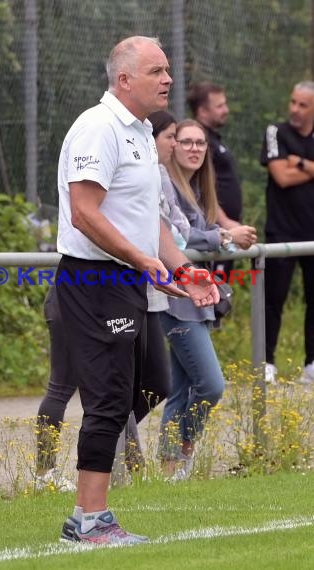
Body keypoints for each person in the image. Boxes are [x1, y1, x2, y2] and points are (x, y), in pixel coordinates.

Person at [53, 36, 219, 545]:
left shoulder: (144, 132)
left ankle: (86, 505)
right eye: (156, 71)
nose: (168, 79)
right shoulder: (97, 128)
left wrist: (181, 267)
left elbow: (151, 222)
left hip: (128, 277)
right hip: (95, 279)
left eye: (167, 70)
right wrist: (141, 260)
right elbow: (84, 213)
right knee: (108, 398)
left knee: (151, 382)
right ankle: (90, 520)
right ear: (124, 80)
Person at [158, 117, 257, 480]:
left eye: (201, 143)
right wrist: (226, 238)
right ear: (171, 146)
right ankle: (179, 454)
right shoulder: (164, 182)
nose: (195, 149)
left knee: (182, 388)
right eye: (185, 142)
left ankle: (170, 470)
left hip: (196, 298)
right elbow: (181, 240)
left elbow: (196, 233)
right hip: (175, 296)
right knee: (211, 385)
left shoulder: (197, 192)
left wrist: (224, 233)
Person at [261, 81, 314, 385]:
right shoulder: (276, 132)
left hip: (313, 233)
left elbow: (290, 169)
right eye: (293, 102)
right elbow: (280, 176)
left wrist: (301, 162)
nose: (295, 109)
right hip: (281, 231)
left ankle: (311, 363)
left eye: (302, 105)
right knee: (273, 299)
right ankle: (267, 361)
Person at [187, 82, 256, 277]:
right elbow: (199, 187)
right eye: (219, 106)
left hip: (225, 233)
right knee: (214, 294)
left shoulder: (214, 140)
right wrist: (224, 221)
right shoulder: (200, 144)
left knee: (221, 294)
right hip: (214, 232)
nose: (226, 110)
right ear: (202, 111)